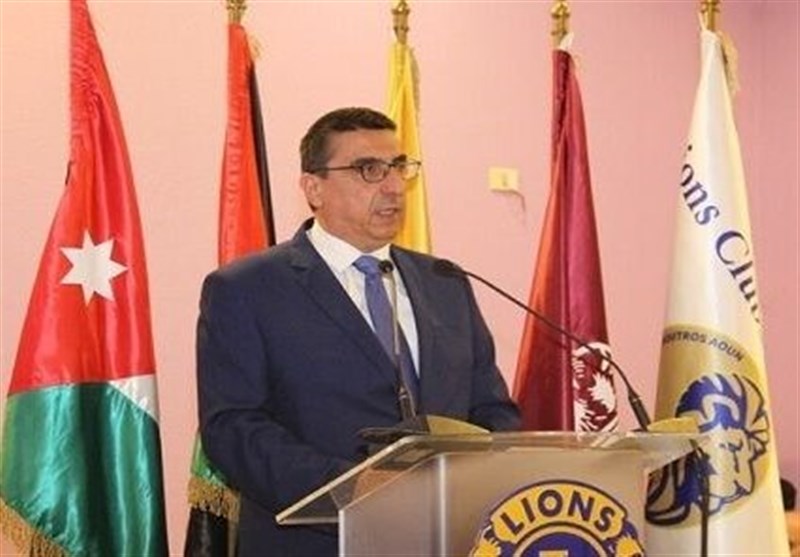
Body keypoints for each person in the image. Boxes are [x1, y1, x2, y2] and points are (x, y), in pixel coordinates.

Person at [196, 106, 521, 555]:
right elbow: (233, 428)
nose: (394, 186)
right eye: (369, 169)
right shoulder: (248, 289)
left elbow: (492, 410)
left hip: (445, 539)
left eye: (399, 167)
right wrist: (354, 489)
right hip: (315, 542)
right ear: (314, 188)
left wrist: (468, 485)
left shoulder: (444, 281)